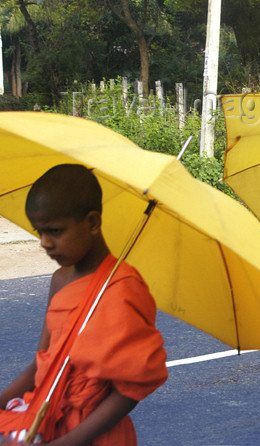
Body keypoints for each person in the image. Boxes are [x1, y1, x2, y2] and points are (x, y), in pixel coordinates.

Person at [0, 164, 168, 445]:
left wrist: (67, 442)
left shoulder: (123, 288)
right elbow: (43, 361)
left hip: (92, 433)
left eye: (54, 230)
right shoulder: (60, 280)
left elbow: (129, 390)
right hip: (45, 417)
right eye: (39, 231)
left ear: (92, 223)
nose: (45, 243)